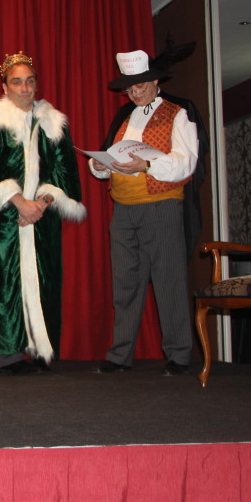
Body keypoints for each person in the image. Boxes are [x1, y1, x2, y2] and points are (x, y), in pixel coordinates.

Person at [0, 52, 86, 375]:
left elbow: (65, 173)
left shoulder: (53, 124)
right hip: (5, 220)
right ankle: (10, 355)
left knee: (45, 279)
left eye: (29, 81)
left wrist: (42, 202)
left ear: (36, 84)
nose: (24, 88)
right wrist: (17, 201)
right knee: (4, 282)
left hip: (42, 219)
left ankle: (42, 350)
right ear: (5, 87)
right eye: (16, 82)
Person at [91, 45, 207, 376]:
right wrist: (100, 166)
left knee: (168, 279)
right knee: (125, 282)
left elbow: (186, 162)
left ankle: (179, 354)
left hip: (161, 205)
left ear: (156, 82)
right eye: (129, 89)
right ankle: (120, 353)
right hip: (124, 210)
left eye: (140, 86)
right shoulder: (124, 117)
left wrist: (147, 164)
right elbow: (109, 156)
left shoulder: (178, 113)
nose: (135, 93)